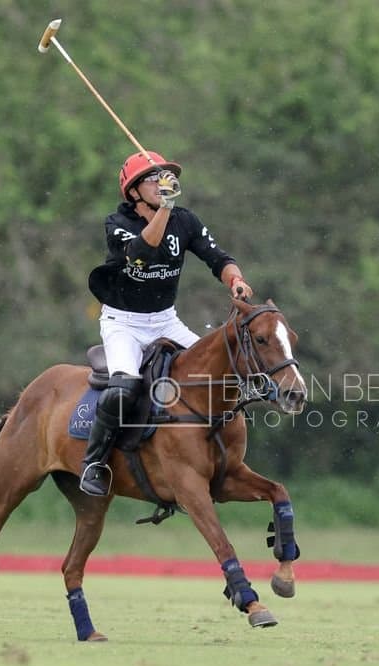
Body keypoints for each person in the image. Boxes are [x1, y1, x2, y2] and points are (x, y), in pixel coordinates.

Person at [79, 150, 253, 496]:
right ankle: (94, 463)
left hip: (165, 321)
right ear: (133, 192)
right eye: (152, 179)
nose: (162, 184)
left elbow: (218, 258)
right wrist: (166, 209)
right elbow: (144, 251)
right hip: (123, 322)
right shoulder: (117, 224)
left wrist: (235, 279)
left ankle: (216, 455)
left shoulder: (185, 221)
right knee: (123, 388)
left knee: (222, 372)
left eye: (166, 178)